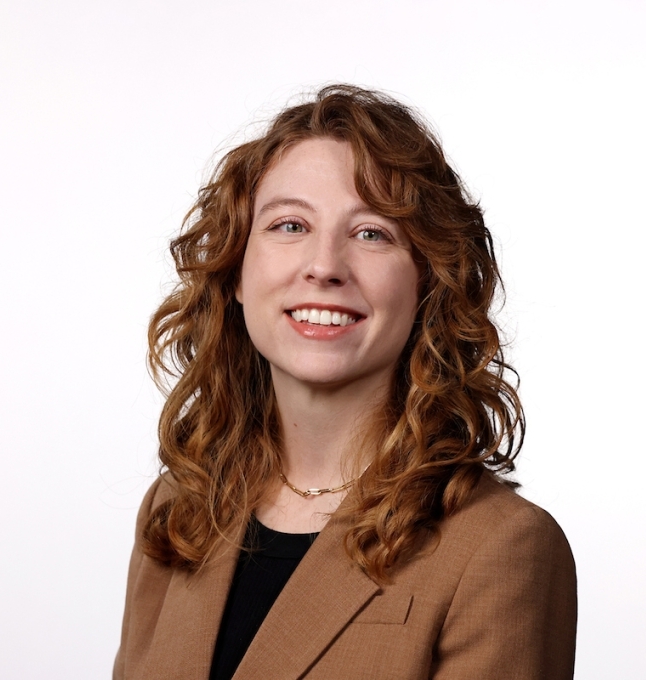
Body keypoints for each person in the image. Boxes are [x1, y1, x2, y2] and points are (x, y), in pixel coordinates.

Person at [114, 85, 577, 680]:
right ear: (234, 268)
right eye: (288, 224)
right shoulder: (179, 509)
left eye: (371, 233)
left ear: (427, 282)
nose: (325, 265)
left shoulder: (501, 548)